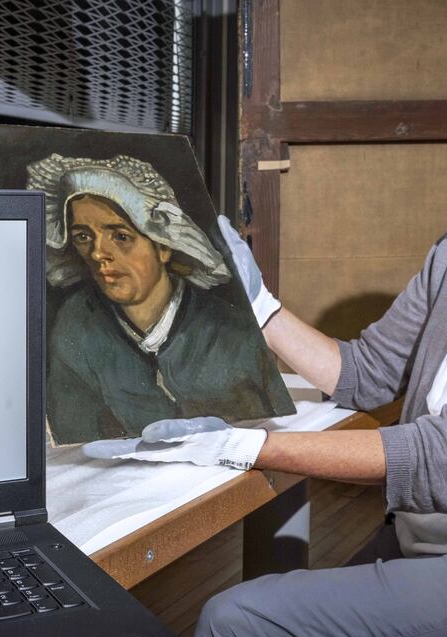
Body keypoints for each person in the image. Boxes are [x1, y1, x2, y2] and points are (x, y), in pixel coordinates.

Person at [87, 0, 447, 637]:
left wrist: (248, 445)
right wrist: (259, 305)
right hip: (428, 546)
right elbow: (366, 372)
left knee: (236, 621)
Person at [27, 153, 294, 445]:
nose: (97, 253)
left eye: (120, 236)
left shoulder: (230, 332)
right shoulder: (76, 323)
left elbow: (268, 428)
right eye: (82, 237)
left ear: (164, 246)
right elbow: (74, 433)